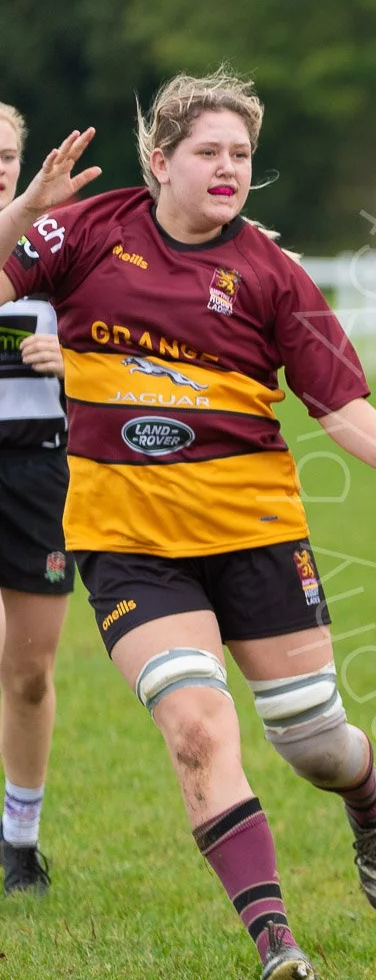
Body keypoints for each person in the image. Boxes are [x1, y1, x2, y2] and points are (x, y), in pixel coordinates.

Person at [0, 70, 376, 980]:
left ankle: (367, 798)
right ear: (160, 160)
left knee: (315, 744)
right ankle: (277, 944)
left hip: (253, 533)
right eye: (208, 152)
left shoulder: (273, 274)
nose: (227, 168)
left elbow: (338, 399)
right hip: (129, 544)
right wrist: (23, 212)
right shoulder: (84, 232)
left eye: (241, 155)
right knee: (198, 730)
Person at [0, 101, 71, 896]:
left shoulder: (62, 240)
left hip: (39, 473)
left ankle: (20, 840)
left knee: (27, 672)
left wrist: (72, 356)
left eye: (7, 152)